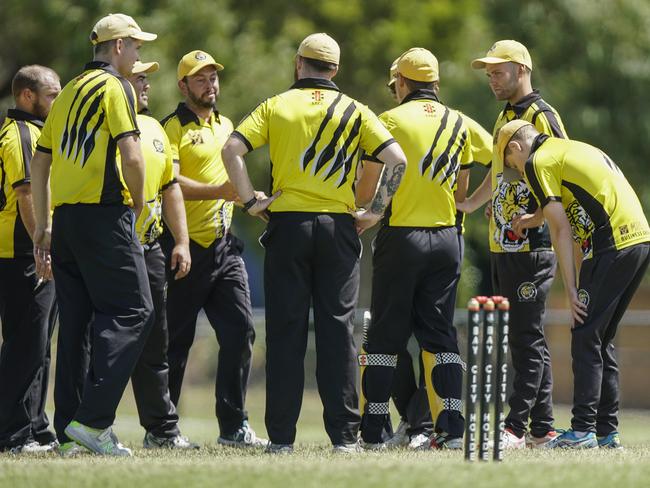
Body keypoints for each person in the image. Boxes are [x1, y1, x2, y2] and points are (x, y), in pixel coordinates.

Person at [221, 32, 407, 453]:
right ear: (336, 70)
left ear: (298, 64)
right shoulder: (356, 110)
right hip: (338, 227)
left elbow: (232, 149)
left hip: (288, 225)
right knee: (338, 331)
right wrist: (375, 211)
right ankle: (344, 438)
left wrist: (251, 200)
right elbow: (397, 159)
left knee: (286, 331)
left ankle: (282, 440)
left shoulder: (276, 105)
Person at [30, 13, 157, 456]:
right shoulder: (115, 87)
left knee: (77, 326)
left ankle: (68, 433)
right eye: (136, 46)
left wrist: (44, 225)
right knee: (135, 310)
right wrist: (139, 204)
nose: (139, 53)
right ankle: (94, 421)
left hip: (65, 222)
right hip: (105, 216)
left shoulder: (65, 92)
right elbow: (132, 154)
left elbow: (40, 162)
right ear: (118, 46)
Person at [495, 120, 650, 449]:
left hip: (612, 244)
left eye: (513, 166)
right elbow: (564, 203)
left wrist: (571, 288)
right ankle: (607, 432)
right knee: (600, 337)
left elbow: (561, 230)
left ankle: (582, 430)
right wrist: (531, 218)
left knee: (583, 332)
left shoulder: (537, 161)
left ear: (516, 148)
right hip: (639, 239)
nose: (520, 175)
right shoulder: (567, 149)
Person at [354, 48, 471, 450]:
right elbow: (465, 186)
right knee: (440, 338)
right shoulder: (458, 122)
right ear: (435, 83)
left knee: (384, 335)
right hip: (446, 240)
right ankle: (452, 431)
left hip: (402, 236)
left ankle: (373, 433)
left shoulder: (388, 120)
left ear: (402, 83)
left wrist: (369, 210)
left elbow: (369, 181)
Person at [459, 40, 567, 448]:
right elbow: (500, 170)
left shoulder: (543, 116)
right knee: (524, 335)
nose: (491, 80)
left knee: (526, 337)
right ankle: (542, 429)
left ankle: (514, 426)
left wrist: (536, 217)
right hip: (504, 246)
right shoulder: (505, 114)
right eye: (488, 74)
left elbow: (561, 173)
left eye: (498, 72)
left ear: (522, 69)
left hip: (533, 246)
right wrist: (475, 202)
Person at [160, 50, 264, 448]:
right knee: (176, 343)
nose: (211, 85)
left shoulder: (227, 125)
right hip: (182, 248)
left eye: (214, 78)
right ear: (183, 86)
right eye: (200, 79)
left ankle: (233, 426)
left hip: (224, 248)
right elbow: (169, 182)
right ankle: (164, 428)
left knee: (241, 332)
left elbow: (233, 180)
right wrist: (221, 191)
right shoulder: (171, 128)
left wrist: (248, 198)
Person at [125, 61, 197, 449]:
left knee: (158, 339)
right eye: (138, 78)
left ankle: (162, 430)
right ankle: (84, 423)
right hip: (113, 246)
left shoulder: (153, 127)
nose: (146, 85)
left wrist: (181, 241)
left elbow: (170, 188)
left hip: (151, 245)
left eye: (147, 79)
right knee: (97, 339)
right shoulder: (105, 126)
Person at [0, 65, 61, 454]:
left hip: (28, 251)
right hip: (22, 253)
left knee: (38, 345)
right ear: (27, 96)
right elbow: (25, 195)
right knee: (25, 345)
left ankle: (35, 427)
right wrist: (42, 247)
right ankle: (11, 434)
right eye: (52, 95)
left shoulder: (34, 132)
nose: (57, 102)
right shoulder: (22, 134)